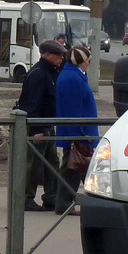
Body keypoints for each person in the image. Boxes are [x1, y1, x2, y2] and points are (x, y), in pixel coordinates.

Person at [16, 39, 67, 211]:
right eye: (58, 55)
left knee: (52, 162)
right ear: (47, 55)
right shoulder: (39, 74)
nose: (61, 58)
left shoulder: (50, 71)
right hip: (38, 126)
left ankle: (51, 197)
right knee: (34, 164)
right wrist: (36, 129)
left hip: (47, 124)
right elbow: (33, 102)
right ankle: (26, 198)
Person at [55, 45, 98, 215]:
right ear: (82, 61)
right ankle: (64, 204)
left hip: (80, 133)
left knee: (76, 168)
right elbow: (73, 109)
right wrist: (80, 135)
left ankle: (71, 203)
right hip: (79, 134)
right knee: (73, 169)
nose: (89, 63)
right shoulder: (72, 78)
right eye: (88, 60)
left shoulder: (73, 75)